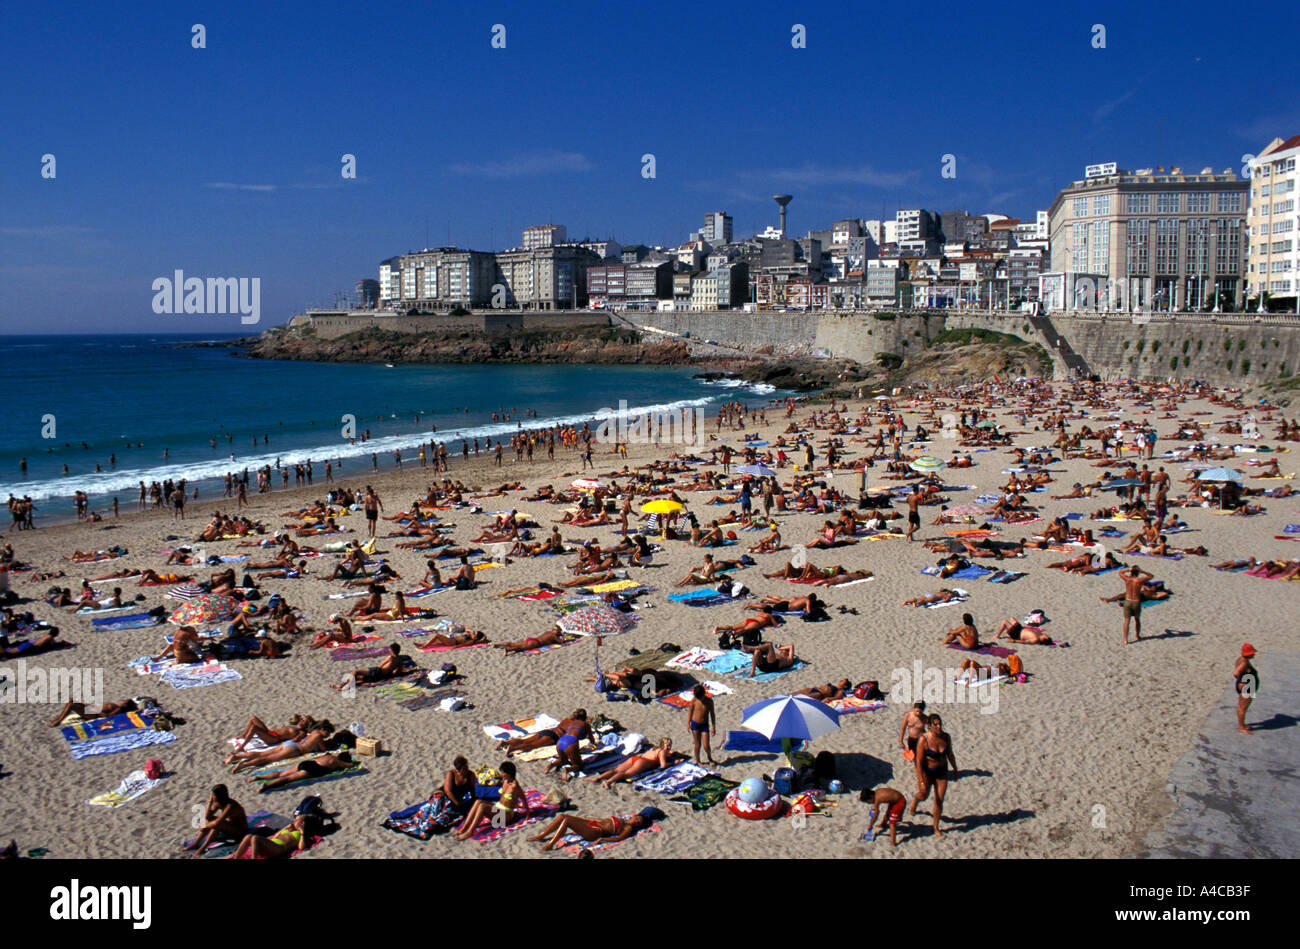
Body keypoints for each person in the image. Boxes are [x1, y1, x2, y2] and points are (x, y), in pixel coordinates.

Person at [910, 714, 956, 837]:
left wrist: (955, 768)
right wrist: (920, 781)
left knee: (939, 801)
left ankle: (936, 827)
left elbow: (950, 754)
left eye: (940, 723)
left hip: (942, 771)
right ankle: (915, 802)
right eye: (935, 724)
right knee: (924, 795)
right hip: (927, 772)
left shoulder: (946, 737)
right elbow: (919, 762)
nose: (939, 726)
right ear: (929, 726)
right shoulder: (923, 740)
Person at [526, 808, 656, 851]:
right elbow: (600, 820)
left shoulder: (627, 828)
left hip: (594, 833)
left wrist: (601, 839)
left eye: (638, 823)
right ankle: (541, 836)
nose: (636, 822)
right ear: (634, 816)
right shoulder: (622, 819)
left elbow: (618, 838)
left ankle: (551, 844)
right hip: (593, 824)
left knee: (566, 821)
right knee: (562, 816)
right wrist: (583, 819)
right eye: (637, 819)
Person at [453, 761, 523, 841]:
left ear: (509, 774)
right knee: (478, 802)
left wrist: (527, 812)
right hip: (499, 810)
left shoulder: (515, 786)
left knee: (482, 806)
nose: (501, 774)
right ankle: (465, 827)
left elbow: (523, 798)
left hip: (506, 816)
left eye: (503, 773)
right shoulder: (505, 781)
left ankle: (470, 831)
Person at [183, 784, 248, 856]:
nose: (212, 796)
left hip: (240, 830)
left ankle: (202, 848)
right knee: (212, 820)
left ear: (219, 796)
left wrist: (205, 826)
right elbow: (207, 816)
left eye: (213, 795)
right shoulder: (218, 803)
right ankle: (196, 843)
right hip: (231, 825)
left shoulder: (230, 805)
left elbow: (218, 822)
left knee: (217, 825)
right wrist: (210, 802)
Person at [585, 738, 674, 789]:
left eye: (670, 745)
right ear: (663, 745)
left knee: (615, 770)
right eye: (668, 745)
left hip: (635, 758)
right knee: (625, 774)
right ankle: (608, 782)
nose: (669, 747)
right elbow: (663, 765)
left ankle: (598, 778)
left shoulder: (654, 748)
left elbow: (670, 752)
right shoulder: (662, 752)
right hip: (643, 762)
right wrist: (673, 763)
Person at [255, 752, 354, 791]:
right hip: (312, 769)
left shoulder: (328, 755)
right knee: (288, 778)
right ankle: (267, 785)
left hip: (306, 763)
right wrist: (354, 763)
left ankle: (259, 777)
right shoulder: (337, 761)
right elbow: (349, 765)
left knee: (281, 773)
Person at [229, 814, 316, 858]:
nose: (294, 821)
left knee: (255, 838)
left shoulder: (301, 834)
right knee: (248, 836)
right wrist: (285, 828)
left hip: (279, 848)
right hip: (271, 844)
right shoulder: (289, 829)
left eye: (296, 820)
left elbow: (301, 847)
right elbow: (275, 836)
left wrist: (302, 832)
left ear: (302, 823)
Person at [1114, 564, 1153, 644]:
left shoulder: (1127, 579)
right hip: (1136, 601)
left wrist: (1128, 570)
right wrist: (1142, 571)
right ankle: (1137, 636)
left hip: (1128, 601)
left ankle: (1125, 639)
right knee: (1137, 619)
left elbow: (1120, 573)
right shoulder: (1139, 580)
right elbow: (1151, 576)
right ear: (1138, 573)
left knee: (1127, 621)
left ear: (1131, 572)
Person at [686, 685, 717, 765]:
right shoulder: (694, 700)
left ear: (704, 694)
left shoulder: (709, 701)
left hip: (704, 725)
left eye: (701, 697)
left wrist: (713, 727)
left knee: (706, 745)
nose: (701, 699)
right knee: (697, 744)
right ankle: (698, 760)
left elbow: (712, 714)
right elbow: (690, 712)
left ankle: (710, 758)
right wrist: (688, 723)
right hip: (695, 724)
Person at [1235, 644, 1259, 735]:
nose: (1254, 655)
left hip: (1248, 684)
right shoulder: (1244, 663)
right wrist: (1241, 681)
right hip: (1248, 686)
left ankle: (1242, 724)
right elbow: (1236, 673)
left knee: (1242, 706)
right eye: (1253, 653)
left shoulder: (1241, 659)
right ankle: (1241, 726)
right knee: (1243, 707)